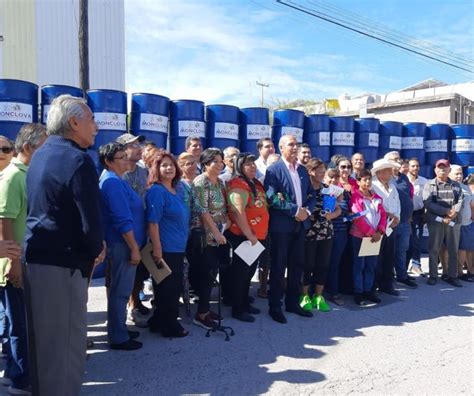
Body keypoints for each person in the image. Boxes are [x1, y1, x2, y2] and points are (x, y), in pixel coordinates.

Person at [23, 94, 105, 395]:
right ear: (74, 122)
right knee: (65, 353)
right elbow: (90, 224)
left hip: (38, 260)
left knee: (44, 352)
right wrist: (91, 254)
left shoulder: (42, 154)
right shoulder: (78, 159)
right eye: (92, 119)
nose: (96, 126)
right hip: (62, 267)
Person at [0, 123, 47, 394]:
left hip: (27, 261)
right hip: (15, 265)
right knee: (19, 325)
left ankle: (21, 370)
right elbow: (5, 221)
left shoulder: (26, 174)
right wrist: (13, 263)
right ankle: (19, 378)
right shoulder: (13, 177)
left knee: (24, 322)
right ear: (28, 147)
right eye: (43, 148)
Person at [264, 135, 316, 324]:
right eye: (291, 145)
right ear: (281, 147)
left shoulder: (302, 170)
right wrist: (295, 211)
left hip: (301, 226)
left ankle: (292, 303)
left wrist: (306, 211)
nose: (295, 148)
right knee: (278, 267)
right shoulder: (273, 170)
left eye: (296, 144)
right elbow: (271, 197)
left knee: (297, 266)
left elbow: (311, 194)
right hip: (282, 227)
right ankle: (275, 306)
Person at [99, 142, 146, 350]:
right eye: (121, 157)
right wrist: (134, 247)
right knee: (120, 291)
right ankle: (118, 337)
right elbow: (121, 218)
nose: (126, 160)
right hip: (122, 245)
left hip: (124, 243)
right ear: (109, 161)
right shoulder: (112, 183)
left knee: (121, 289)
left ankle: (119, 328)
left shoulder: (116, 179)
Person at [146, 152, 190, 337]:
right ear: (157, 169)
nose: (169, 168)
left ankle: (157, 321)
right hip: (166, 249)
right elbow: (153, 222)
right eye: (163, 165)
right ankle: (170, 326)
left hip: (178, 247)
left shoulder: (177, 189)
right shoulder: (157, 191)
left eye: (171, 165)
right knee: (168, 290)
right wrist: (157, 248)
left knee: (168, 287)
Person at [227, 153, 269, 322]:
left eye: (253, 163)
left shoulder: (255, 183)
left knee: (248, 273)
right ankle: (237, 309)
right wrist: (250, 235)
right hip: (244, 237)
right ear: (239, 167)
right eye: (247, 164)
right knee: (240, 274)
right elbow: (238, 212)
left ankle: (244, 302)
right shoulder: (238, 184)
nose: (252, 166)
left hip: (256, 237)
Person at [191, 148, 229, 330]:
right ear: (206, 163)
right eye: (216, 161)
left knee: (213, 273)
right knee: (206, 274)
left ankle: (205, 308)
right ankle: (201, 314)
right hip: (206, 236)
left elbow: (223, 208)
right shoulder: (201, 182)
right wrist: (216, 232)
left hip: (220, 233)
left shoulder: (220, 183)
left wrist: (226, 224)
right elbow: (203, 211)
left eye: (221, 161)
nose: (220, 164)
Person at [115, 133, 151, 328]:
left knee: (139, 273)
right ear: (121, 150)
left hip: (142, 230)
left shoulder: (143, 171)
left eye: (139, 144)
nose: (139, 148)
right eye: (133, 145)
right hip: (124, 233)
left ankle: (136, 302)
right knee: (123, 275)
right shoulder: (118, 174)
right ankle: (126, 312)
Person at [300, 159, 340, 313]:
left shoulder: (328, 189)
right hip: (309, 234)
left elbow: (337, 210)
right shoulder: (305, 189)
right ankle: (304, 296)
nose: (323, 174)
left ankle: (318, 297)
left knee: (322, 266)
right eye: (320, 171)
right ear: (311, 171)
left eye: (324, 171)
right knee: (307, 266)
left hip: (326, 233)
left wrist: (333, 215)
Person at [349, 169, 387, 305]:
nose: (367, 182)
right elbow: (358, 218)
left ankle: (368, 290)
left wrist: (380, 231)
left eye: (369, 179)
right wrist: (371, 233)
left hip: (375, 237)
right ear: (358, 182)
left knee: (371, 265)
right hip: (360, 237)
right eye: (364, 179)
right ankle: (358, 292)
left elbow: (383, 215)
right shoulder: (356, 197)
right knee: (359, 265)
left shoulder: (376, 197)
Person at [423, 159, 463, 287]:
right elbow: (428, 203)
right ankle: (433, 275)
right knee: (434, 249)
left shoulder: (456, 185)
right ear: (435, 170)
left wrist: (453, 213)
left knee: (453, 250)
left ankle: (452, 276)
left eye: (445, 168)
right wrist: (446, 212)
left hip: (453, 221)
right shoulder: (429, 185)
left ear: (449, 170)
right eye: (439, 168)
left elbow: (460, 200)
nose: (442, 170)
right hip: (436, 222)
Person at [384, 151, 417, 288]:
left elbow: (409, 197)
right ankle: (388, 278)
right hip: (390, 222)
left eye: (399, 159)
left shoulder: (404, 178)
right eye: (395, 159)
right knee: (389, 251)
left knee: (402, 249)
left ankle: (402, 276)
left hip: (404, 221)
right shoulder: (384, 178)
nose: (398, 161)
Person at [371, 158, 401, 296]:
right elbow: (374, 205)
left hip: (392, 225)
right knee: (377, 256)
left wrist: (397, 217)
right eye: (385, 171)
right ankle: (374, 284)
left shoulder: (393, 187)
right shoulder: (373, 186)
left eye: (389, 171)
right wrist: (388, 214)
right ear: (378, 173)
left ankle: (387, 284)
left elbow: (397, 203)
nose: (388, 174)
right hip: (379, 225)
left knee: (389, 255)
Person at [444, 165, 473, 282]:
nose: (459, 176)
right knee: (448, 248)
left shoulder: (466, 188)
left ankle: (460, 272)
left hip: (466, 223)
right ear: (449, 173)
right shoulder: (446, 187)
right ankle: (448, 272)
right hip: (451, 223)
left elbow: (471, 205)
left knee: (463, 248)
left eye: (461, 173)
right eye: (456, 173)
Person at [325, 168, 349, 306]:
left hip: (340, 232)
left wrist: (339, 202)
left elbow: (345, 212)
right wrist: (336, 204)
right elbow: (326, 212)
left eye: (336, 178)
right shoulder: (321, 192)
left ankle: (333, 292)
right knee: (322, 263)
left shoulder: (342, 193)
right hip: (325, 232)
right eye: (330, 177)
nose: (333, 180)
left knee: (335, 263)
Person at [406, 158, 428, 275]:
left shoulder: (424, 181)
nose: (415, 168)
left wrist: (425, 213)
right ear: (408, 167)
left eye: (417, 166)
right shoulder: (404, 180)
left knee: (417, 239)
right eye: (413, 166)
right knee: (406, 242)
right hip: (405, 214)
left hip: (418, 213)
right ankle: (402, 266)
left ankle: (416, 265)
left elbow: (427, 198)